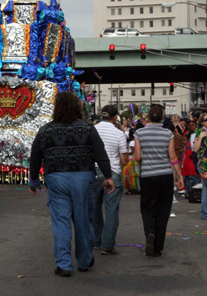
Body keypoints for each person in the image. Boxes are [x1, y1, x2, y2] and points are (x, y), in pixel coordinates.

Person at [29, 92, 114, 277]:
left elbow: (35, 157)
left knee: (61, 222)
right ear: (77, 107)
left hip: (56, 179)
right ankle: (84, 260)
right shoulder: (87, 128)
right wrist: (108, 176)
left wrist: (33, 181)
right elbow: (100, 152)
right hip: (83, 178)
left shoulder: (45, 130)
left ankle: (64, 264)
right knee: (84, 220)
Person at [134, 104, 184, 257]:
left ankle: (150, 232)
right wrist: (180, 177)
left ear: (148, 116)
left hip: (148, 176)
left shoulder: (139, 133)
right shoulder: (167, 134)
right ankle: (158, 247)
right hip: (165, 176)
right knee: (163, 211)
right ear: (162, 117)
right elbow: (173, 157)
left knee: (148, 208)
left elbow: (137, 157)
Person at [93, 104, 128, 255]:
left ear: (102, 116)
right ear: (115, 118)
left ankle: (96, 240)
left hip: (93, 172)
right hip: (112, 172)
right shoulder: (119, 134)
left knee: (94, 208)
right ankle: (107, 246)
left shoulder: (92, 130)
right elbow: (124, 159)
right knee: (111, 209)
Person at [193, 112, 207, 220]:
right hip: (204, 164)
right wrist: (201, 137)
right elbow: (195, 149)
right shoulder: (199, 132)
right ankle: (205, 213)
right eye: (206, 119)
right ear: (202, 122)